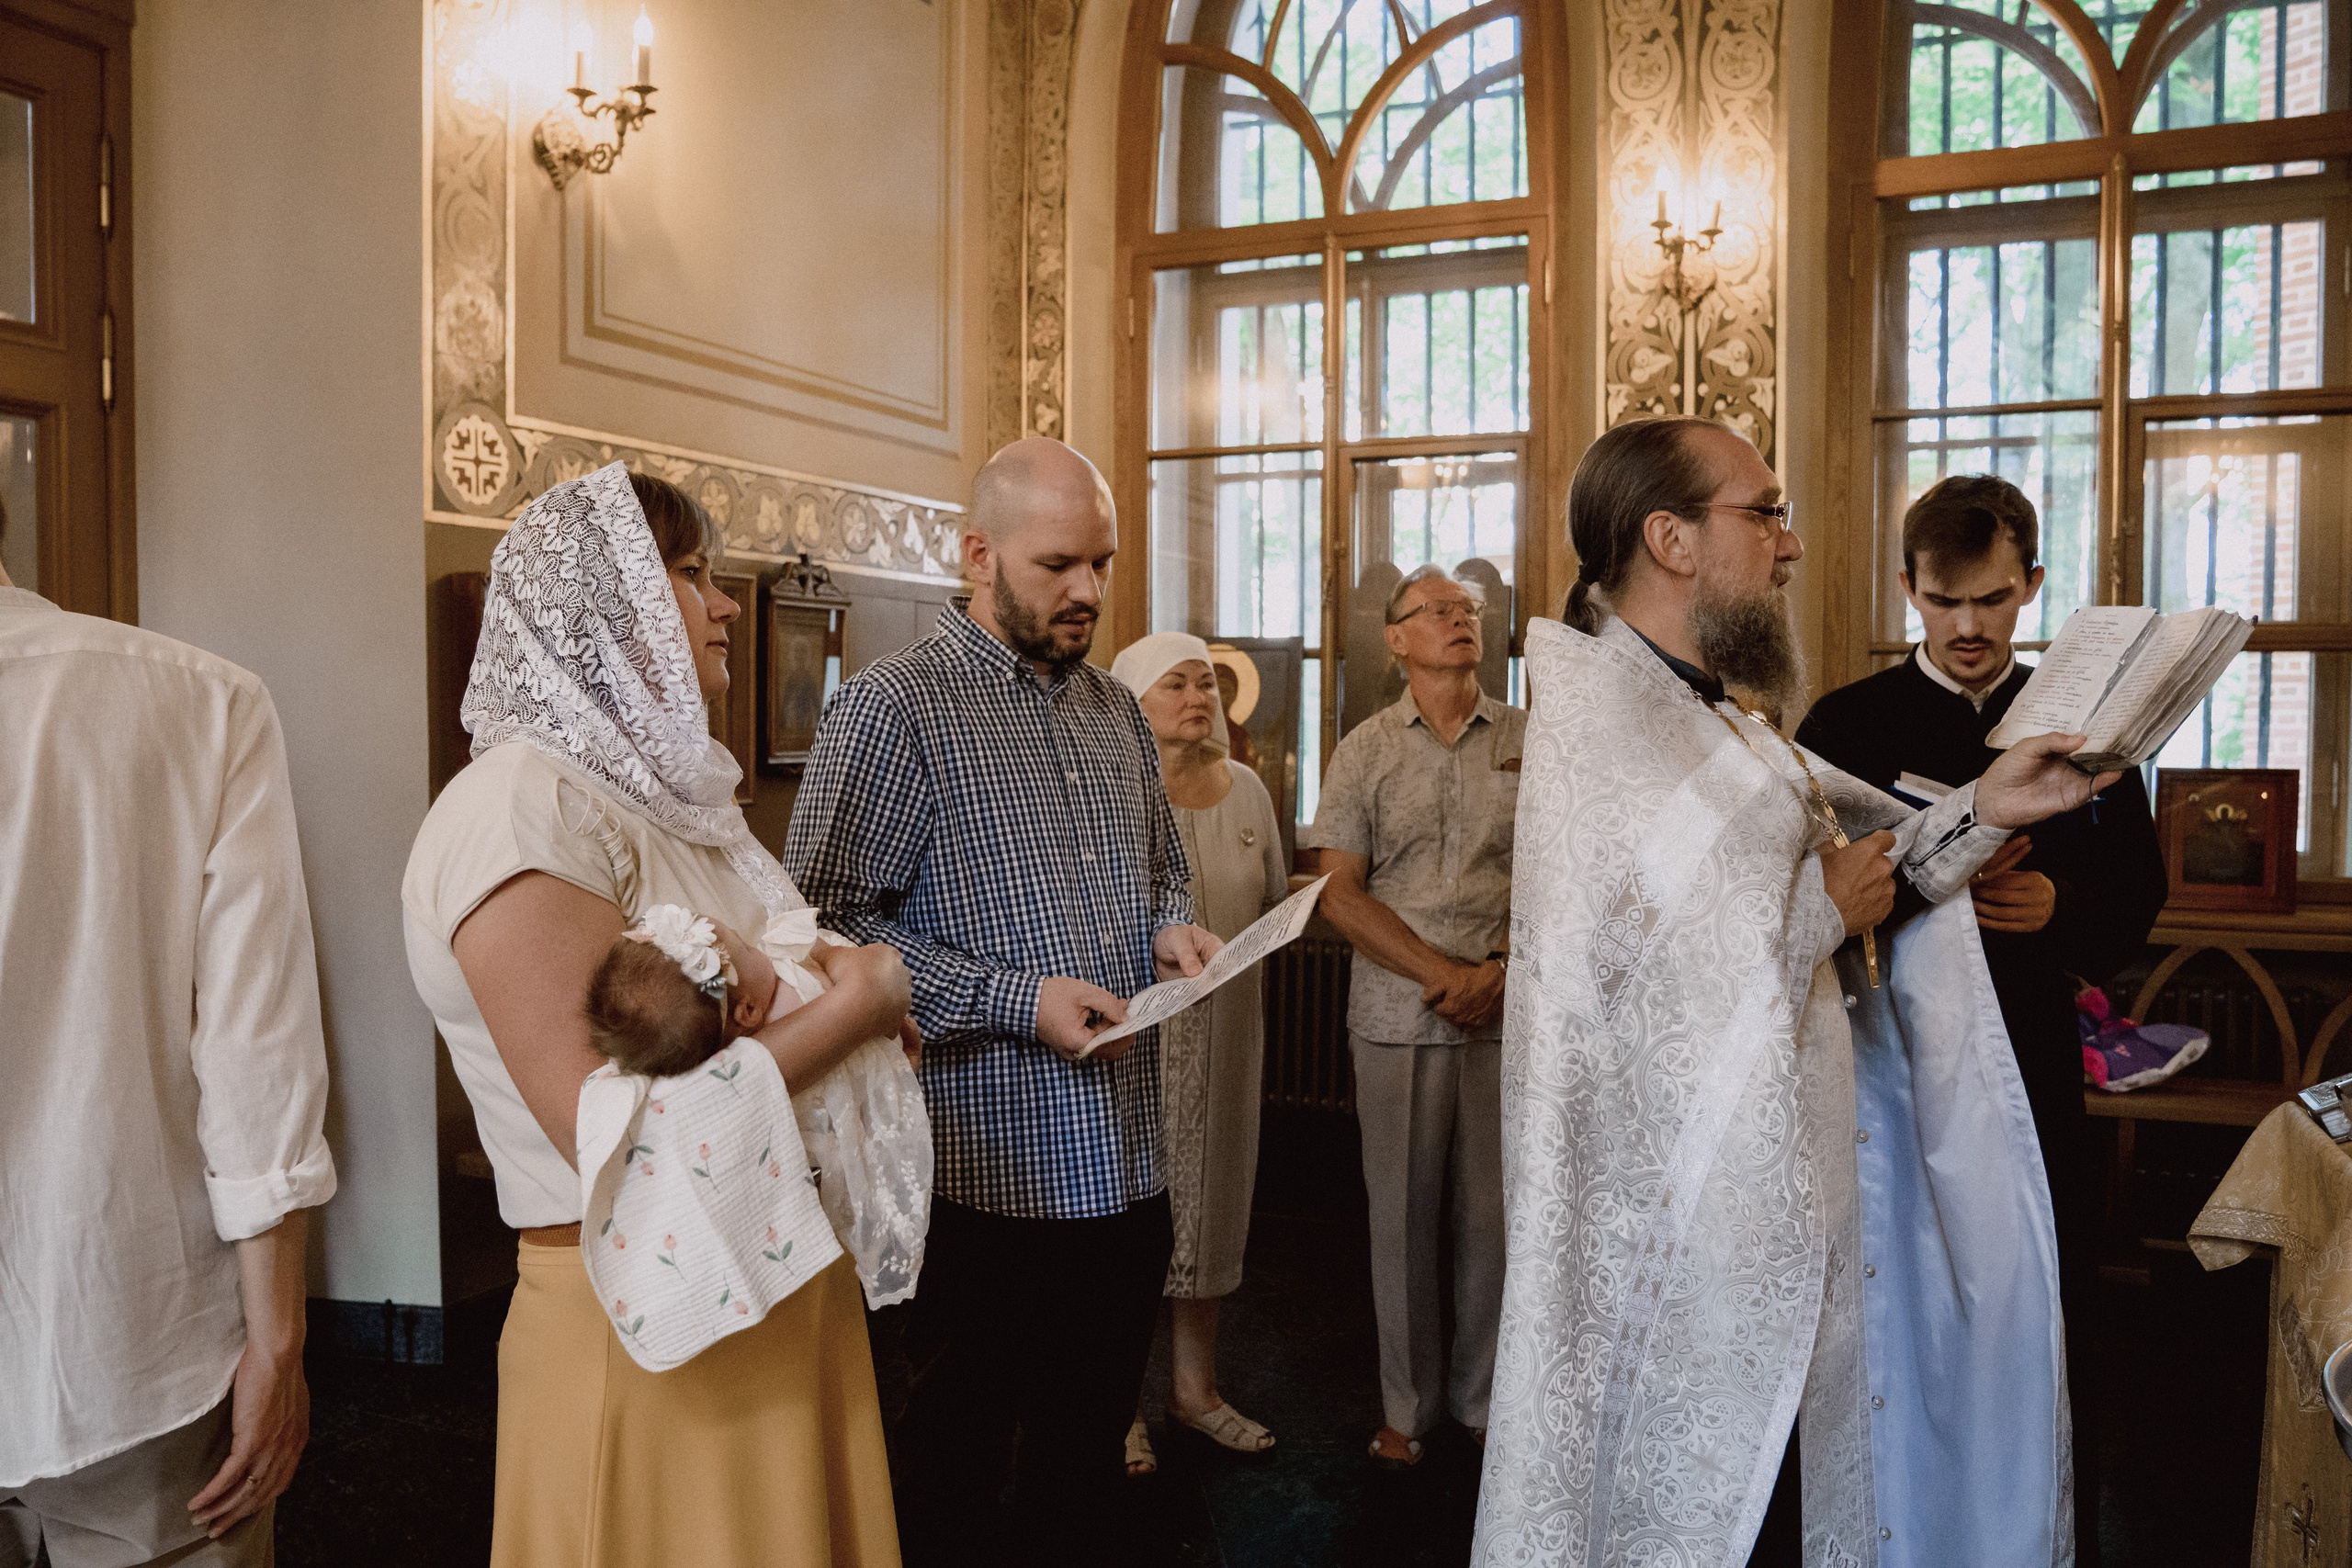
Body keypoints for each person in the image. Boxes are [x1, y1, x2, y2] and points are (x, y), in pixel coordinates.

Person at [1474, 418, 2118, 1568]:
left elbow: (1860, 845)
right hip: (1680, 1227)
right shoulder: (1608, 727)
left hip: (1779, 1187)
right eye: (1764, 512)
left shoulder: (1712, 716)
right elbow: (1635, 1006)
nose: (1792, 545)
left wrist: (1995, 807)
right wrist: (1828, 910)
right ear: (1670, 538)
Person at [401, 464, 910, 1568]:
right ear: (607, 601)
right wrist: (865, 998)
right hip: (648, 1324)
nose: (727, 604)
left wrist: (809, 970)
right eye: (691, 574)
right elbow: (623, 1139)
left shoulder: (667, 801)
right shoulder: (519, 806)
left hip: (768, 1282)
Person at [785, 436, 1222, 1567]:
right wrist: (1011, 1000)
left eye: (1102, 564)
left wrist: (1169, 924)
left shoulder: (1116, 712)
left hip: (1125, 1171)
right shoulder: (894, 709)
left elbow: (1160, 865)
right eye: (1057, 565)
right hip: (982, 1179)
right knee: (957, 1478)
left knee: (1083, 1478)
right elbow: (823, 929)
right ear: (977, 554)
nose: (1086, 592)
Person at [1793, 473, 2168, 1567]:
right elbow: (1808, 896)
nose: (1968, 628)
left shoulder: (2085, 726)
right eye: (1945, 601)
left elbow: (2133, 893)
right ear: (1908, 588)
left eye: (1994, 601)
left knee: (2035, 1306)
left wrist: (2061, 912)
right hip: (1881, 1060)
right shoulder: (1844, 725)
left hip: (2032, 1056)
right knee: (1891, 1312)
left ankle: (2027, 1532)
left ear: (2031, 588)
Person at [1, 517, 335, 1567]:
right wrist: (277, 1338)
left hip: (123, 1334)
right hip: (130, 1332)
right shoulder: (200, 701)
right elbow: (253, 1050)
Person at [1305, 563, 1521, 1471]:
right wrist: (1442, 973)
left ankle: (1482, 1403)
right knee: (1400, 1221)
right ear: (1394, 639)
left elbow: (1569, 869)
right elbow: (1333, 889)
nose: (1457, 621)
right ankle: (1408, 1408)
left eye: (1467, 610)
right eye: (1435, 611)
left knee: (1494, 1220)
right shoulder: (1363, 750)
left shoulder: (1532, 737)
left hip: (1511, 1004)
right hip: (1398, 1011)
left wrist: (1502, 971)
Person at [1111, 632, 1288, 1474]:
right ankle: (1116, 1408)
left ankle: (1195, 1391)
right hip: (1137, 1041)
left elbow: (1275, 897)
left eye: (1207, 685)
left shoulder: (1249, 791)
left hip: (1226, 1038)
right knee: (1128, 1221)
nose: (1199, 698)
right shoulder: (1114, 792)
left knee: (1213, 1206)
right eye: (1175, 684)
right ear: (1134, 702)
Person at [582, 903, 933, 1311]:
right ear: (747, 1010)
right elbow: (869, 987)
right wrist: (826, 954)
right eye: (748, 948)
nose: (759, 947)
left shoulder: (732, 1050)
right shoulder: (798, 1005)